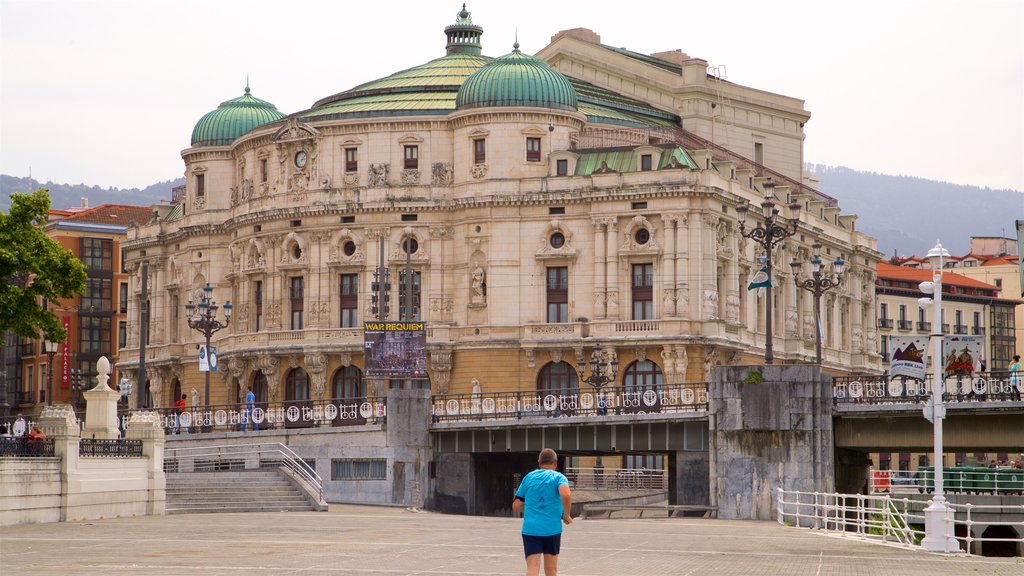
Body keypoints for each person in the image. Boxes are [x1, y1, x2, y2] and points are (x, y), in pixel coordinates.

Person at [512, 448, 572, 576]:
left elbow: (516, 506)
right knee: (551, 570)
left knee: (532, 567)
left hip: (531, 529)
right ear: (555, 463)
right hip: (552, 530)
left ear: (539, 462)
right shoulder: (558, 477)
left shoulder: (528, 477)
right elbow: (566, 494)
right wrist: (566, 515)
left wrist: (531, 507)